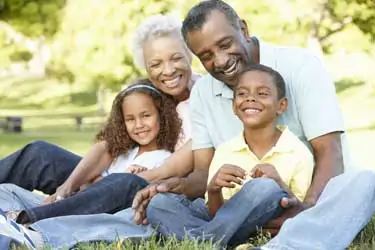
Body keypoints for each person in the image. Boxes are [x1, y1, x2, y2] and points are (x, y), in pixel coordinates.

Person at [0, 2, 374, 250]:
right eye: (207, 56)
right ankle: (35, 232)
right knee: (157, 205)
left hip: (301, 196)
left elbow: (331, 154)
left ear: (243, 29)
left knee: (363, 183)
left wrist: (304, 210)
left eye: (226, 44)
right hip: (228, 206)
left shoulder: (300, 66)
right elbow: (199, 173)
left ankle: (294, 239)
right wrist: (163, 187)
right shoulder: (206, 92)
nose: (222, 61)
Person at [0, 14, 197, 203]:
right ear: (146, 67)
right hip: (114, 178)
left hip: (151, 189)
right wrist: (69, 186)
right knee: (39, 155)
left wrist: (117, 180)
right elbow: (108, 145)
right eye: (156, 64)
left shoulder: (206, 96)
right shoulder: (146, 94)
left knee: (116, 184)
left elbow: (180, 167)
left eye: (176, 58)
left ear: (190, 54)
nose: (168, 70)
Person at [146, 64, 315, 247]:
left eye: (262, 93)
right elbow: (216, 213)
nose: (250, 98)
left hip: (266, 219)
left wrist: (278, 184)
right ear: (234, 106)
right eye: (242, 94)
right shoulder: (226, 150)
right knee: (159, 203)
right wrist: (213, 189)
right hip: (224, 221)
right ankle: (211, 241)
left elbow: (301, 212)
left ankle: (204, 241)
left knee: (265, 187)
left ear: (281, 106)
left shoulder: (297, 152)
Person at [0, 79, 182, 225]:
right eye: (130, 119)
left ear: (162, 115)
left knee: (127, 181)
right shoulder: (124, 151)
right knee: (41, 152)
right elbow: (94, 179)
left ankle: (25, 221)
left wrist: (104, 181)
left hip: (111, 206)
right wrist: (91, 181)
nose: (139, 125)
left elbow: (121, 190)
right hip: (83, 194)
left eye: (146, 116)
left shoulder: (165, 158)